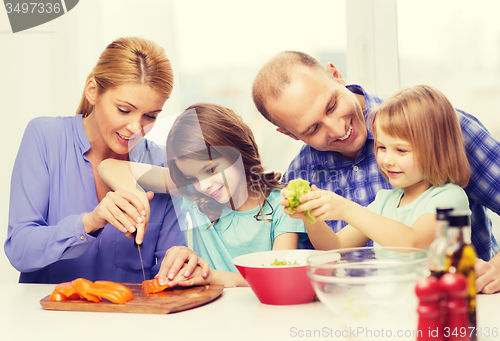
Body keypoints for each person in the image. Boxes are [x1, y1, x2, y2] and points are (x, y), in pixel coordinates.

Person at [252, 51, 500, 294]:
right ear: (290, 135)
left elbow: (414, 244)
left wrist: (497, 269)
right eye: (312, 128)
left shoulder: (439, 129)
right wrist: (309, 214)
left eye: (331, 106)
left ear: (337, 75)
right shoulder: (379, 199)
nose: (338, 129)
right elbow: (332, 249)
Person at [4, 37, 197, 284]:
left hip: (134, 319)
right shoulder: (45, 137)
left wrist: (182, 262)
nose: (135, 128)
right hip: (52, 318)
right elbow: (20, 250)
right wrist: (91, 221)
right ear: (92, 90)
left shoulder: (160, 164)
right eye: (124, 110)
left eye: (150, 116)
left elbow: (170, 265)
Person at [98, 103, 307, 287]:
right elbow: (109, 167)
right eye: (193, 177)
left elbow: (279, 278)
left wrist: (211, 277)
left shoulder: (283, 204)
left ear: (238, 152)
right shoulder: (194, 193)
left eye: (210, 170)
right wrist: (137, 195)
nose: (204, 185)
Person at [283, 85, 470, 252]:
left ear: (437, 149)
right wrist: (309, 214)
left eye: (401, 150)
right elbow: (335, 246)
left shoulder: (450, 198)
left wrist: (346, 209)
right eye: (381, 147)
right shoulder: (384, 202)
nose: (387, 160)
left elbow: (413, 243)